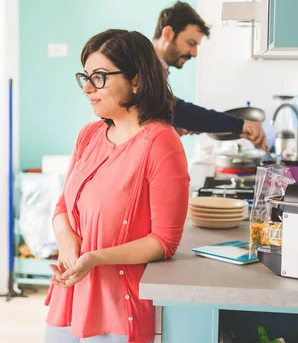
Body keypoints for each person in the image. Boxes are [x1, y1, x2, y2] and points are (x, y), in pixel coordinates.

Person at [44, 29, 190, 343]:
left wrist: (94, 258)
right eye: (85, 76)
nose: (86, 88)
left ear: (136, 81)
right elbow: (62, 207)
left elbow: (164, 241)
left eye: (99, 77)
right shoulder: (89, 135)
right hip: (69, 296)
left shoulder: (162, 143)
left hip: (117, 310)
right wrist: (69, 245)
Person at [152, 1, 268, 151]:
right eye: (191, 43)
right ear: (168, 34)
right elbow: (176, 109)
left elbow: (164, 111)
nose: (194, 53)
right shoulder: (143, 66)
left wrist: (172, 124)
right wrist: (240, 125)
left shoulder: (156, 68)